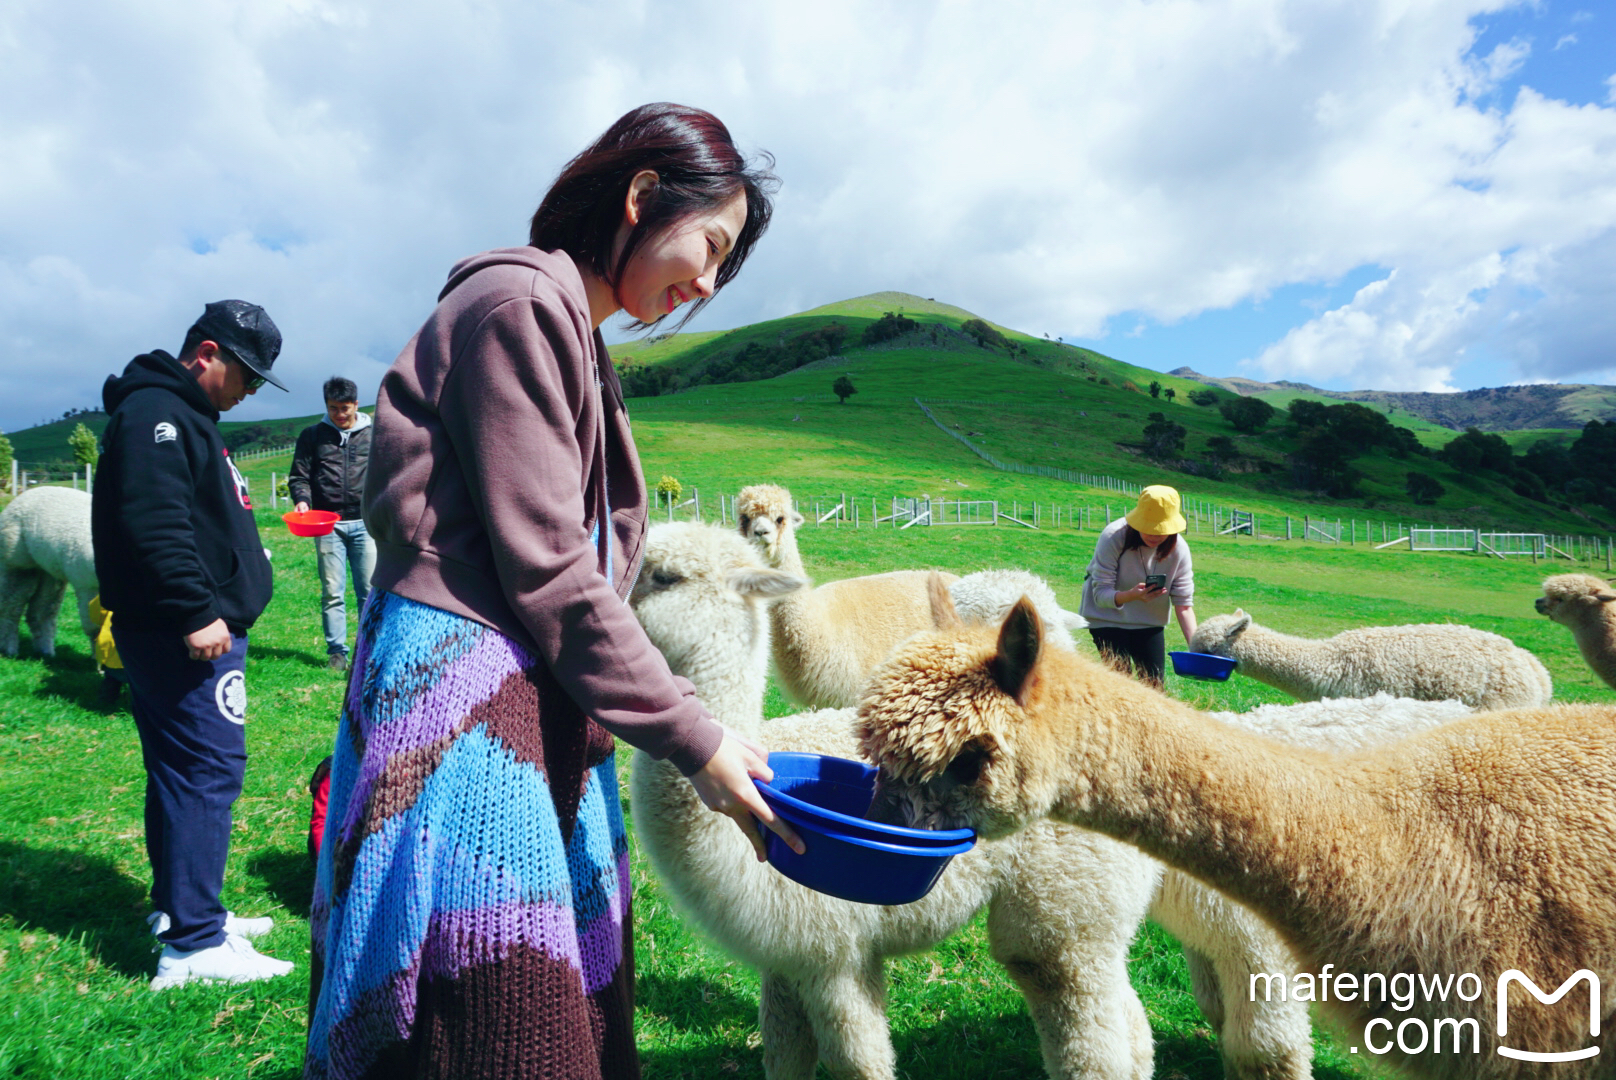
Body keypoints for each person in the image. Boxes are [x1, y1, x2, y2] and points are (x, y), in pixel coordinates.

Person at [305, 103, 800, 1080]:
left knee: (537, 998)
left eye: (724, 267)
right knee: (496, 1019)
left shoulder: (567, 328)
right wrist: (695, 738)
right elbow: (549, 564)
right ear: (638, 196)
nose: (706, 282)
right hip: (464, 711)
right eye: (707, 245)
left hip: (519, 696)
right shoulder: (520, 307)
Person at [92, 300, 297, 989]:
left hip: (180, 629)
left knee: (179, 772)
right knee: (208, 771)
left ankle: (184, 910)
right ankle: (194, 947)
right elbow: (154, 522)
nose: (248, 392)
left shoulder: (183, 417)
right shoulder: (157, 415)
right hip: (187, 636)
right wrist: (195, 610)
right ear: (207, 352)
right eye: (245, 374)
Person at [288, 377, 374, 669]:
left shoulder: (374, 435)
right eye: (333, 407)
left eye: (345, 408)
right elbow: (299, 475)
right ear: (326, 404)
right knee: (332, 590)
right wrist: (302, 500)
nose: (339, 414)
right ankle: (337, 653)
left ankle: (368, 651)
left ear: (356, 405)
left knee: (368, 591)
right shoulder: (312, 435)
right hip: (327, 525)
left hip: (366, 524)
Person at [1078, 484, 1198, 687]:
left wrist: (1196, 649)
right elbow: (1101, 594)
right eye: (1148, 528)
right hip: (1106, 618)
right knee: (1120, 684)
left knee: (1154, 687)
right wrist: (1131, 595)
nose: (1154, 535)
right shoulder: (1113, 536)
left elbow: (1184, 604)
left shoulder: (1180, 550)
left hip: (1148, 622)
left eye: (1161, 530)